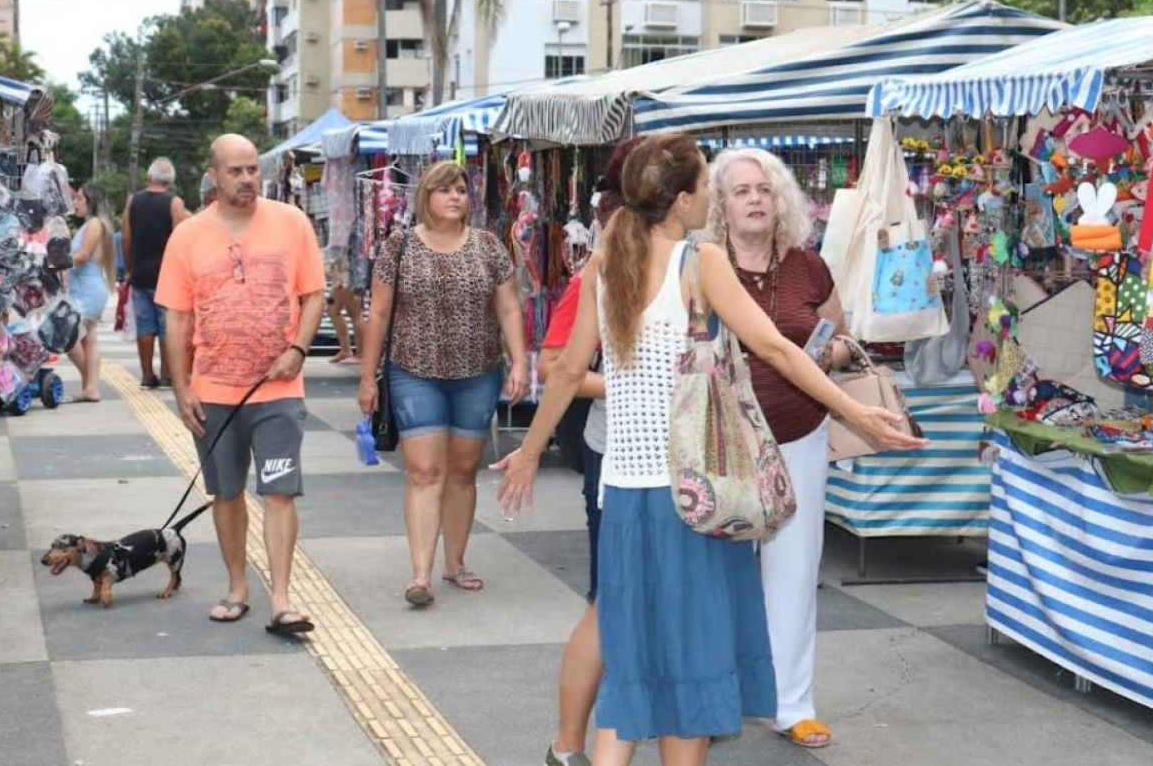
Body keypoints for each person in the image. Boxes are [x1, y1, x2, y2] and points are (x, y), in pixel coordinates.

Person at [493, 132, 925, 766]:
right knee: (693, 664)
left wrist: (530, 451)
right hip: (698, 489)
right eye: (705, 187)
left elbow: (561, 373)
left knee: (635, 659)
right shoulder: (701, 262)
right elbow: (776, 348)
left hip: (626, 491)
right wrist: (857, 408)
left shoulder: (606, 261)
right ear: (683, 200)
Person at [703, 148, 855, 750]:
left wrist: (827, 355)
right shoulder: (700, 265)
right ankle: (716, 700)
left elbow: (841, 332)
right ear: (719, 203)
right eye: (741, 190)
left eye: (764, 189)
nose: (755, 199)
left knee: (793, 571)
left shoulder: (807, 266)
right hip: (724, 444)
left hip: (800, 433)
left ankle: (795, 704)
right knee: (718, 574)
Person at [155, 134, 326, 634]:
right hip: (214, 393)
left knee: (279, 491)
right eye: (236, 171)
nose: (248, 179)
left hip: (278, 393)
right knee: (226, 492)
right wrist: (181, 387)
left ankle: (281, 598)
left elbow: (313, 295)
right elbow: (178, 319)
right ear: (213, 176)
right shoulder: (187, 236)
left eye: (253, 169)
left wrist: (297, 350)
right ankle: (237, 587)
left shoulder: (292, 223)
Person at [357, 160, 529, 607]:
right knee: (424, 472)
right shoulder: (398, 247)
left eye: (461, 190)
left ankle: (455, 562)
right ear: (425, 197)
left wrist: (520, 362)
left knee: (461, 472)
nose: (455, 197)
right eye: (444, 190)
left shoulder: (489, 247)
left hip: (478, 372)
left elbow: (509, 309)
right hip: (414, 371)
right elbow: (377, 314)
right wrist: (367, 376)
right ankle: (420, 574)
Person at [538, 136, 642, 766]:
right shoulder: (599, 272)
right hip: (616, 455)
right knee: (612, 604)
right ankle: (570, 744)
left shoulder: (695, 264)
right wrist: (634, 380)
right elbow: (555, 364)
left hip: (681, 463)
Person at [122, 156, 190, 389]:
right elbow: (181, 241)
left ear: (149, 177)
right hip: (167, 276)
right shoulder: (175, 203)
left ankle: (147, 375)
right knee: (166, 326)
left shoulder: (133, 201)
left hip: (140, 273)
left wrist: (130, 267)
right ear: (169, 181)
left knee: (145, 326)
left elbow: (127, 238)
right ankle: (166, 374)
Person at [65, 183, 115, 403]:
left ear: (90, 202)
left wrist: (54, 261)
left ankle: (90, 383)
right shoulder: (90, 225)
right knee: (89, 339)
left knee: (67, 336)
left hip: (88, 289)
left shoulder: (94, 224)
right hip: (84, 288)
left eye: (80, 199)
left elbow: (83, 255)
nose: (75, 203)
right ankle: (90, 388)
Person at [325, 279, 364, 364]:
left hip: (349, 277)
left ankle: (361, 354)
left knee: (354, 313)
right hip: (341, 276)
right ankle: (345, 350)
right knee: (331, 309)